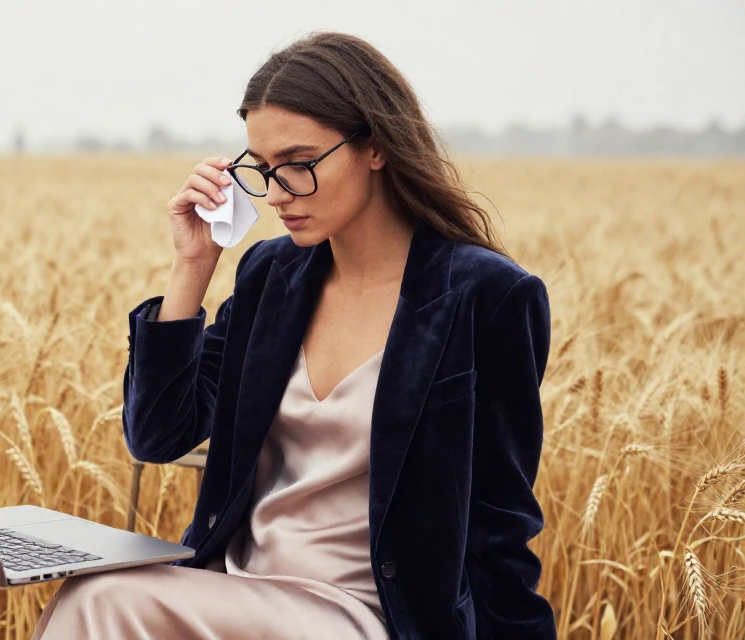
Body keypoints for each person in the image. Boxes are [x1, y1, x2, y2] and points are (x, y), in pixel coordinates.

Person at [31, 31, 556, 640]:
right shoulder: (269, 276)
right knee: (99, 590)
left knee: (103, 599)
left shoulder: (483, 296)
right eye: (263, 169)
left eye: (299, 164)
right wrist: (192, 267)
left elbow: (499, 521)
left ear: (376, 147)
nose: (278, 193)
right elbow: (157, 435)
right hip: (236, 588)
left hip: (368, 612)